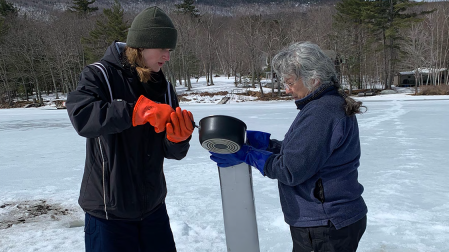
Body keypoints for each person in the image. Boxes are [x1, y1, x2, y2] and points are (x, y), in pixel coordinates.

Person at [210, 41, 368, 252]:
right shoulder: (325, 105)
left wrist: (248, 154)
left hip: (325, 223)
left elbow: (291, 169)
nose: (286, 90)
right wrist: (268, 145)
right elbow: (310, 153)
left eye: (290, 82)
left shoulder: (322, 112)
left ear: (313, 78)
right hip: (328, 222)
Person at [66, 6, 194, 252]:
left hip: (153, 208)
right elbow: (82, 117)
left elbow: (173, 152)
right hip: (108, 212)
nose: (167, 56)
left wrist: (178, 139)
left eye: (170, 50)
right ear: (142, 45)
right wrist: (134, 112)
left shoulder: (164, 88)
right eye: (163, 49)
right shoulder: (99, 75)